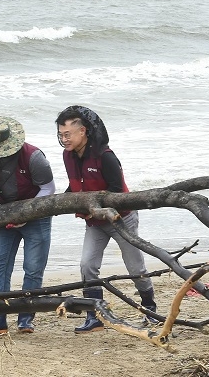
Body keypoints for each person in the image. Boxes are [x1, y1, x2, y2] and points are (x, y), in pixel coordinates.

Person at [55, 105, 158, 333]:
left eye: (68, 134)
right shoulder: (67, 155)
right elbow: (75, 185)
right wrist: (57, 202)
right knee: (87, 265)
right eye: (61, 135)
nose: (64, 139)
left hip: (122, 219)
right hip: (93, 222)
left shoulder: (105, 156)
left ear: (83, 132)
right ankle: (95, 316)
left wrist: (99, 209)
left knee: (136, 268)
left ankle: (151, 310)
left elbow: (117, 192)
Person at [0, 116, 55, 335]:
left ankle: (26, 318)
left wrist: (27, 213)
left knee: (33, 268)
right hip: (5, 214)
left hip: (37, 215)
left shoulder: (34, 157)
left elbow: (49, 190)